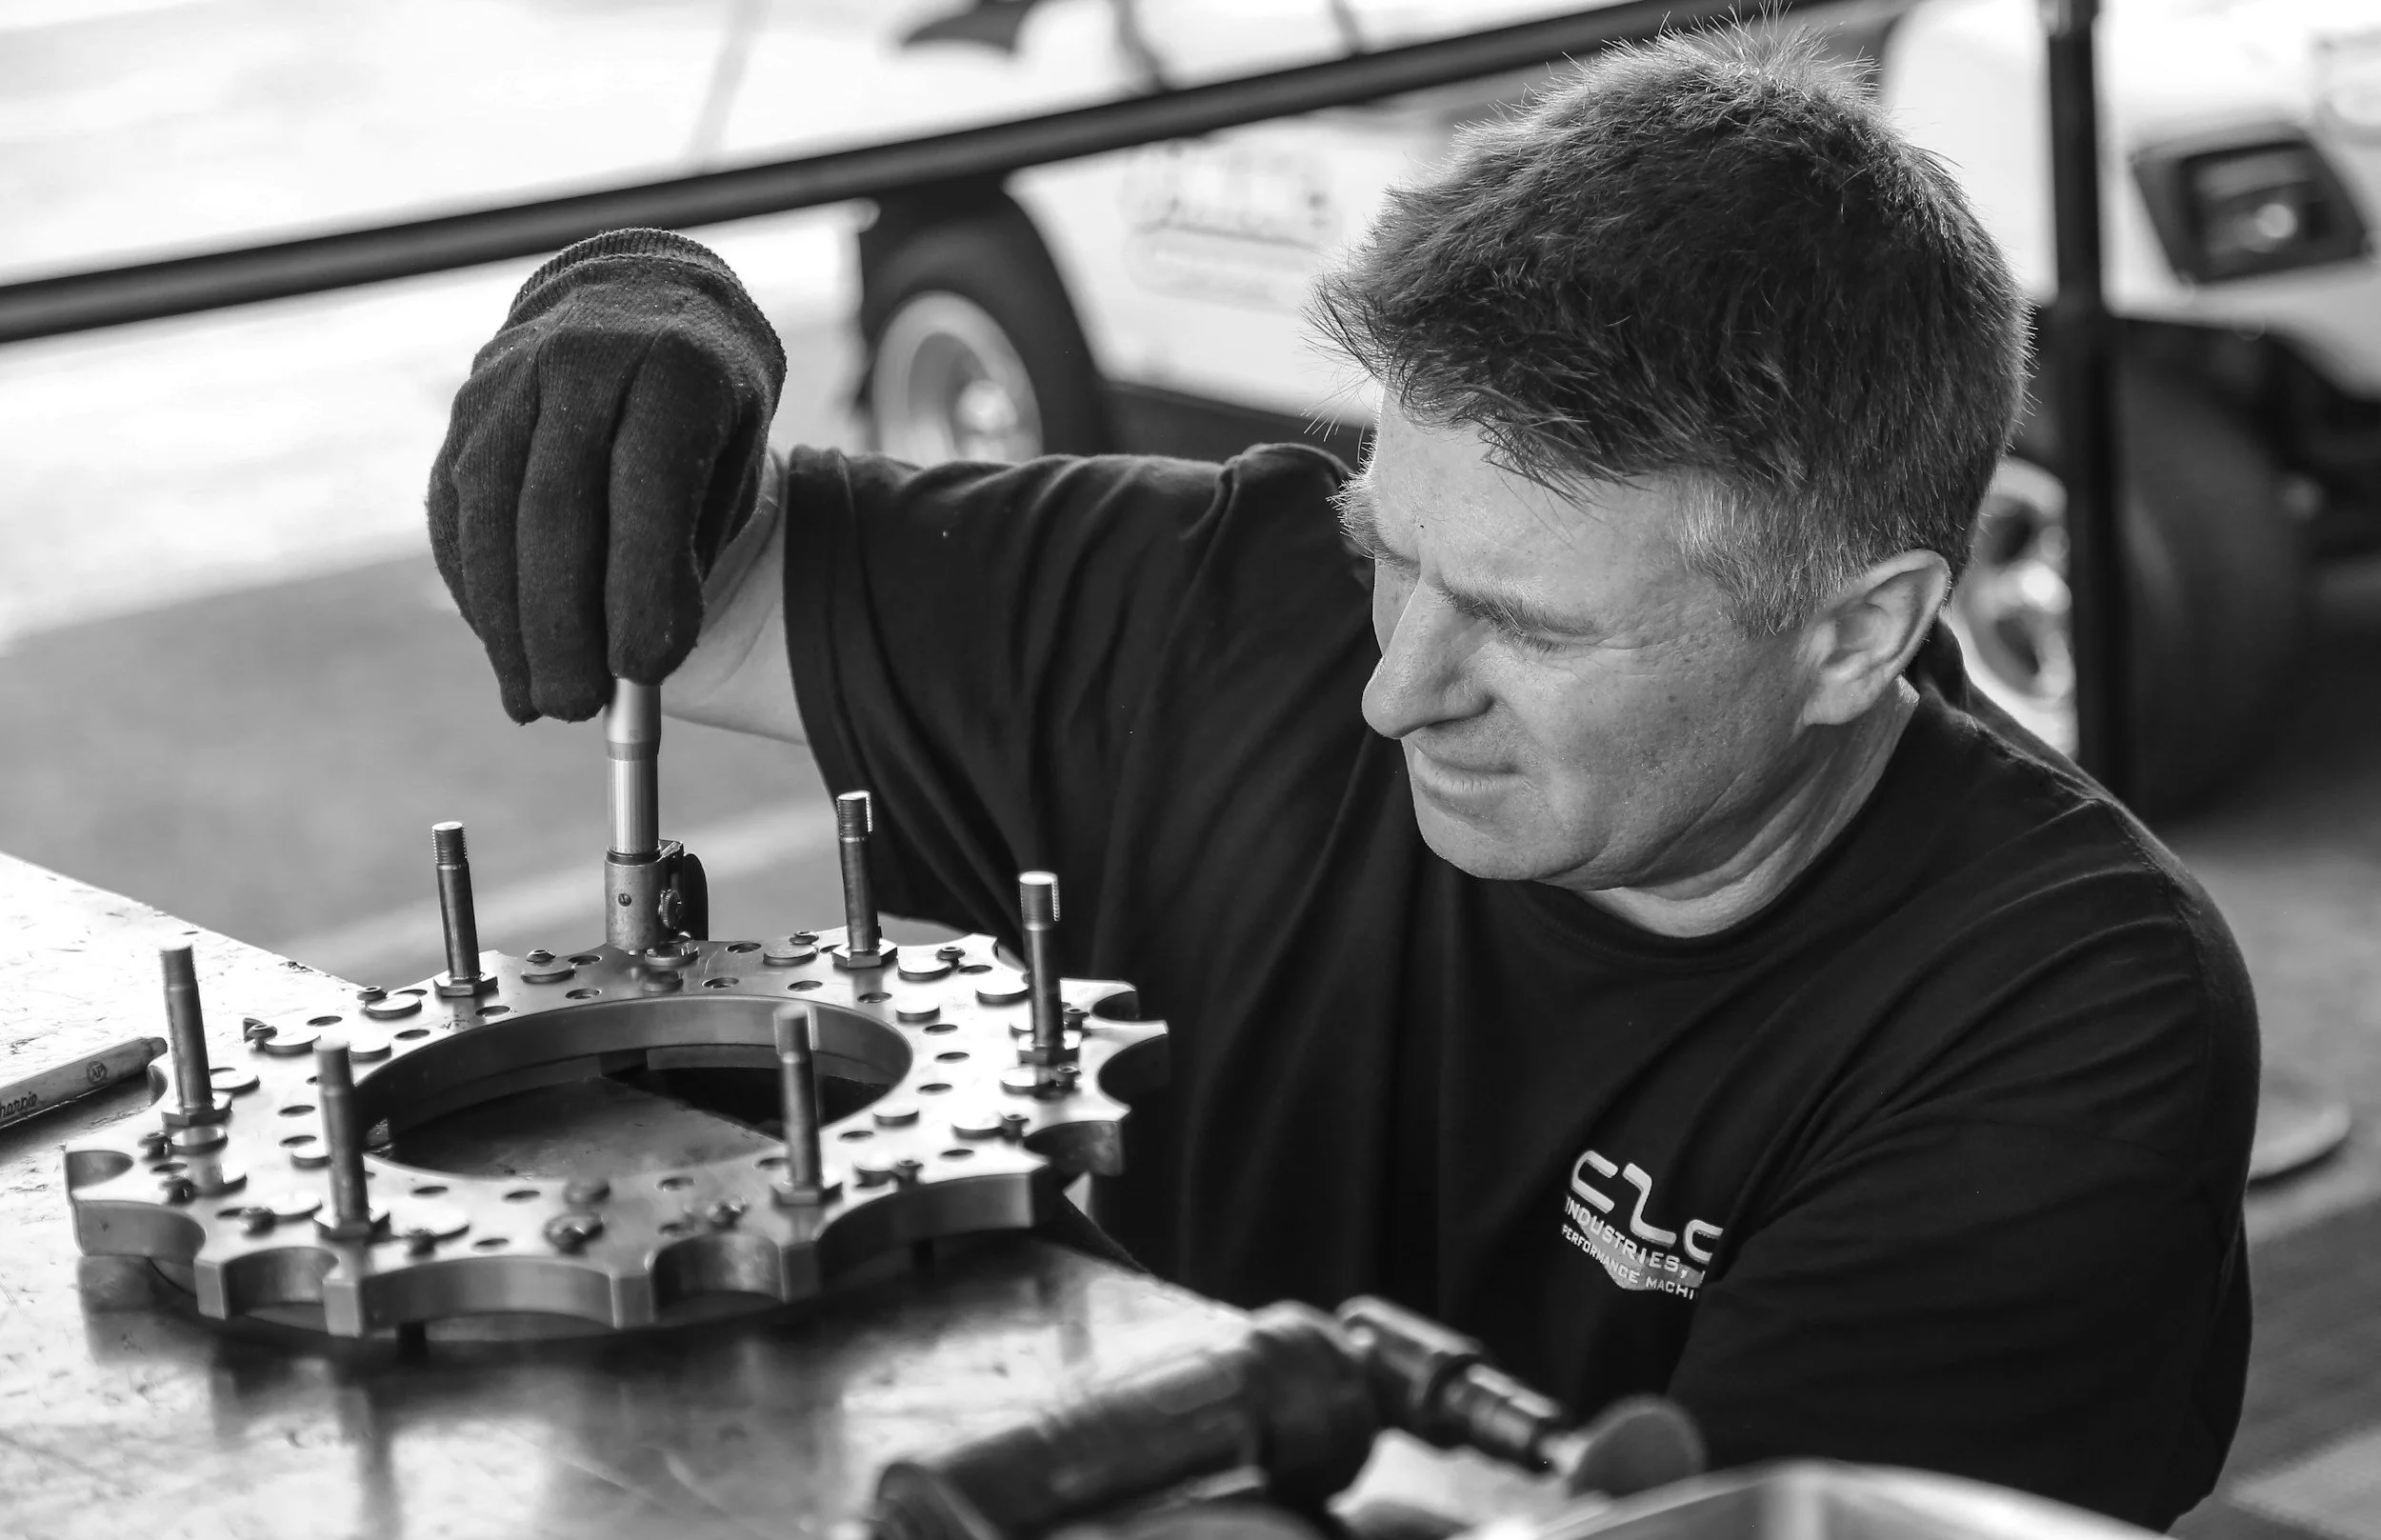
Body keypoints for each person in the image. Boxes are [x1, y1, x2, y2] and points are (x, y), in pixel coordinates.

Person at [427, 30, 2256, 1530]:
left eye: (1528, 629)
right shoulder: (1221, 604)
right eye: (1392, 549)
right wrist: (632, 326)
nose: (1393, 691)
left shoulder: (2065, 1018)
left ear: (1861, 633)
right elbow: (671, 578)